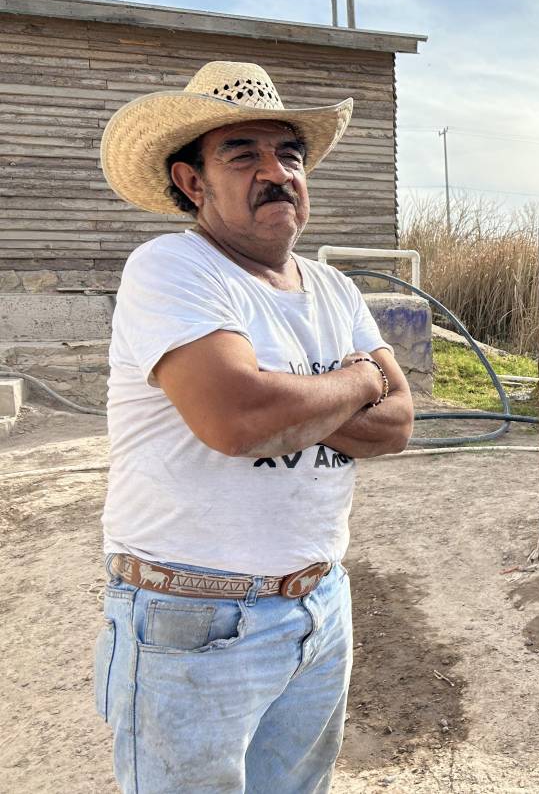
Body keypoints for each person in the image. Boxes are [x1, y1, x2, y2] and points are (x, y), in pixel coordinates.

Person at [93, 60, 414, 793]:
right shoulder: (173, 269)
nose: (277, 172)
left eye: (289, 154)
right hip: (193, 617)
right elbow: (238, 421)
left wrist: (289, 403)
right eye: (244, 155)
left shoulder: (333, 287)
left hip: (319, 606)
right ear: (191, 182)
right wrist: (358, 380)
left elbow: (398, 425)